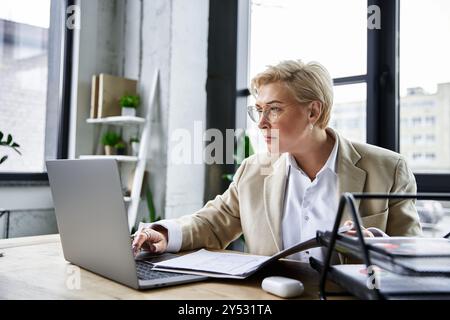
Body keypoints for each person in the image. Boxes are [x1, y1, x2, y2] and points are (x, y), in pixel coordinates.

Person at [132, 60, 422, 262]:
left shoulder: (388, 169)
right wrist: (163, 233)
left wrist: (378, 243)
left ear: (313, 112)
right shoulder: (253, 170)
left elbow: (413, 256)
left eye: (273, 110)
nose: (261, 123)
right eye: (258, 110)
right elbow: (214, 223)